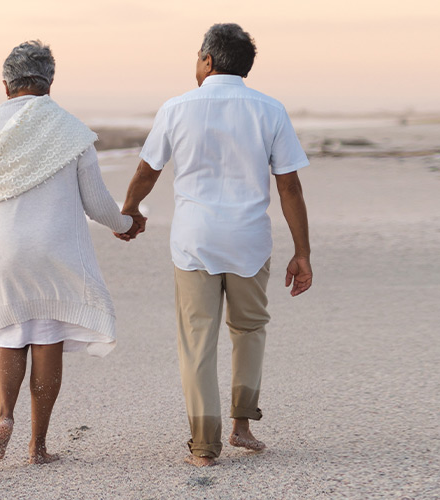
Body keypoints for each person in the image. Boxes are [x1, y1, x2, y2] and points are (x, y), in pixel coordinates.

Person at [118, 23, 313, 467]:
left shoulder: (177, 107)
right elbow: (290, 189)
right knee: (249, 329)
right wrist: (302, 253)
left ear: (207, 60)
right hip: (248, 240)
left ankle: (205, 447)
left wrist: (130, 212)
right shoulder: (270, 109)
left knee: (197, 342)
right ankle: (242, 425)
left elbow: (149, 171)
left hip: (195, 242)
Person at [0, 40, 139, 465]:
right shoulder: (70, 128)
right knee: (47, 339)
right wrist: (127, 224)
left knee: (9, 336)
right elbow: (97, 202)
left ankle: (4, 417)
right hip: (55, 253)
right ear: (50, 82)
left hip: (2, 255)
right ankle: (38, 446)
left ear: (5, 86)